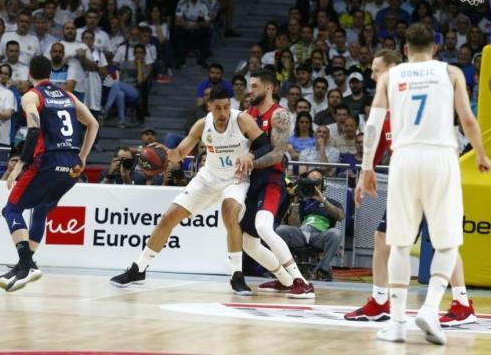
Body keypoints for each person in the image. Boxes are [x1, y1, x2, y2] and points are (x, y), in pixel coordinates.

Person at [360, 23, 491, 345]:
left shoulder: (392, 77)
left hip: (403, 158)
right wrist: (481, 155)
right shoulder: (451, 72)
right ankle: (431, 308)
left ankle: (397, 323)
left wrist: (366, 168)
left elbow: (374, 125)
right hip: (441, 158)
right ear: (434, 48)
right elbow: (468, 119)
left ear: (405, 50)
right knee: (447, 243)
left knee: (400, 243)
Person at [109, 86, 269, 295]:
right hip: (208, 178)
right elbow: (180, 153)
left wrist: (251, 155)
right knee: (168, 218)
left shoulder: (241, 120)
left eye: (226, 108)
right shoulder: (202, 125)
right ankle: (138, 268)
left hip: (235, 179)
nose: (222, 113)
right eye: (218, 108)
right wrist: (168, 154)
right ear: (209, 106)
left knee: (229, 212)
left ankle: (237, 276)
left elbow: (265, 144)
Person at [0, 55, 99, 292]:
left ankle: (27, 264)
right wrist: (82, 157)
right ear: (51, 74)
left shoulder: (31, 96)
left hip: (48, 161)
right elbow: (93, 124)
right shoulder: (68, 96)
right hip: (71, 164)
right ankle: (23, 267)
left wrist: (19, 166)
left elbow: (34, 130)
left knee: (11, 209)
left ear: (30, 73)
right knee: (40, 211)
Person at [240, 69, 315, 299]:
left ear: (268, 88)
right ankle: (284, 280)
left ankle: (301, 281)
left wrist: (249, 161)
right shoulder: (246, 114)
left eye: (254, 86)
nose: (249, 90)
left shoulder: (279, 115)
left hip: (272, 179)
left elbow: (277, 154)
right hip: (250, 180)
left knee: (263, 226)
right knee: (249, 243)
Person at [276, 168, 344, 281]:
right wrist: (296, 200)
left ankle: (323, 270)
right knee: (281, 230)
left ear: (323, 183)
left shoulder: (332, 202)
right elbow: (294, 223)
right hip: (302, 233)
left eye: (316, 180)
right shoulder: (302, 202)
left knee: (336, 233)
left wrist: (323, 200)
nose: (313, 183)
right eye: (310, 180)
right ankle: (284, 269)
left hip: (320, 235)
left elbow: (340, 216)